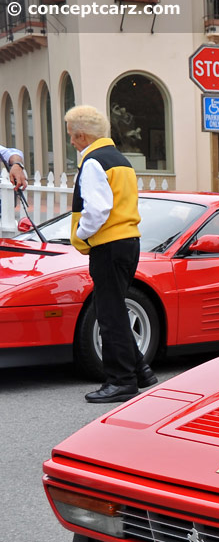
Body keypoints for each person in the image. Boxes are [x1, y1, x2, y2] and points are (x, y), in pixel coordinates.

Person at [65, 105, 156, 403]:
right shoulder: (120, 159)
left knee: (109, 314)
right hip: (129, 241)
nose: (71, 141)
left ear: (81, 135)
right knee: (115, 308)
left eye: (71, 135)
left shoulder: (93, 162)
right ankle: (140, 370)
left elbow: (97, 208)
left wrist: (80, 235)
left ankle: (122, 381)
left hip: (108, 244)